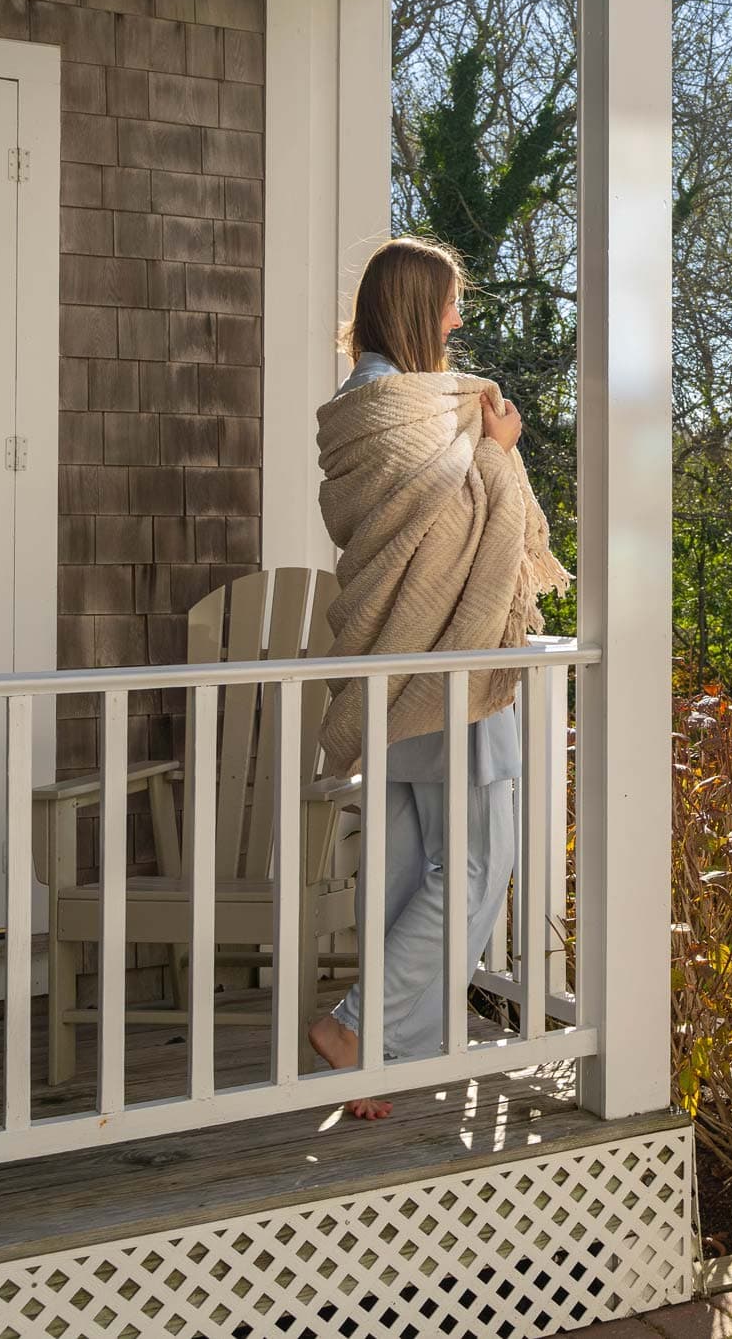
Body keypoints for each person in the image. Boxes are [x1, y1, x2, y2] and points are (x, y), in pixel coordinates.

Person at [303, 237, 555, 1120]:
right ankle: (359, 1028)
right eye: (449, 303)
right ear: (418, 309)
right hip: (452, 654)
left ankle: (377, 1053)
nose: (458, 318)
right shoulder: (411, 406)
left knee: (411, 865)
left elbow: (415, 523)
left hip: (395, 660)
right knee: (481, 862)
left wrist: (480, 444)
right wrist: (501, 447)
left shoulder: (359, 400)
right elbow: (459, 524)